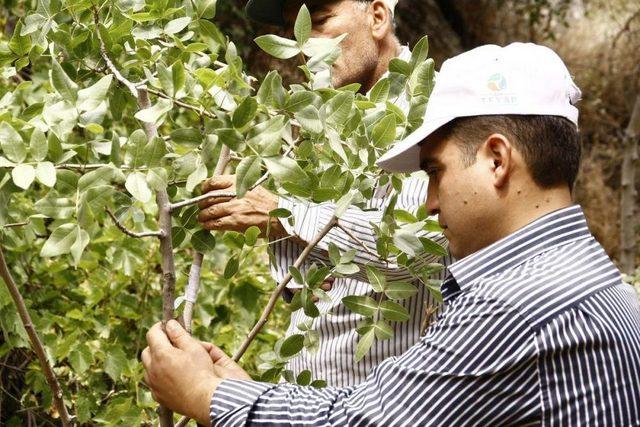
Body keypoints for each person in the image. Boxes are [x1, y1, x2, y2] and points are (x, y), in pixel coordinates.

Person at [143, 42, 640, 425]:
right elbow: (390, 403)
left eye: (434, 172)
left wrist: (208, 396)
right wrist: (245, 390)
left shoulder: (515, 304)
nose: (428, 202)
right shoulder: (595, 281)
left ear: (496, 158)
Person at [197, 0, 448, 387]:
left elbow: (420, 248)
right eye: (294, 30)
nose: (304, 46)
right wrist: (298, 274)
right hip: (309, 398)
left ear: (377, 18)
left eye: (318, 21)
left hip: (381, 405)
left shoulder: (433, 112)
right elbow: (306, 255)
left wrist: (285, 215)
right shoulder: (324, 121)